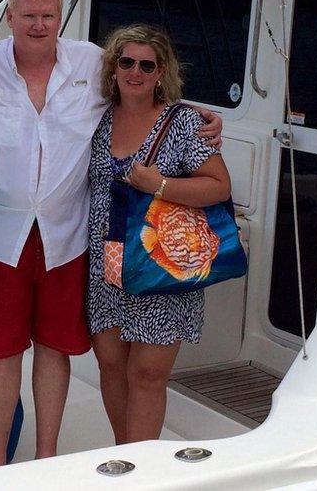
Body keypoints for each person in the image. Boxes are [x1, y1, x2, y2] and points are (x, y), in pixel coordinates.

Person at [0, 0, 223, 466]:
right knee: (1, 353)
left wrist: (204, 116)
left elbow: (145, 86)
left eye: (49, 16)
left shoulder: (91, 61)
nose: (39, 25)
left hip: (69, 235)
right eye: (29, 16)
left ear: (61, 17)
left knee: (55, 350)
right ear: (9, 17)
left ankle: (46, 456)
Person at [87, 24, 232, 443]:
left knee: (147, 373)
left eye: (146, 65)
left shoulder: (185, 124)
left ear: (160, 71)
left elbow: (219, 186)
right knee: (111, 365)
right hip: (105, 266)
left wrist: (160, 185)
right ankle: (126, 452)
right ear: (113, 67)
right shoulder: (94, 117)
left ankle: (140, 471)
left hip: (162, 263)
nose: (135, 71)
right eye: (126, 61)